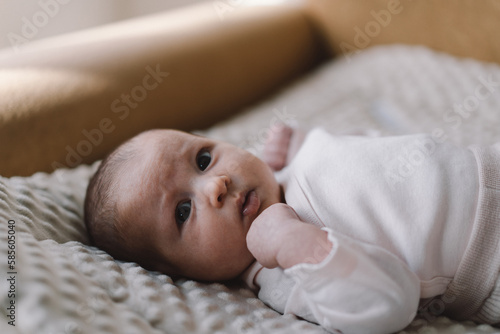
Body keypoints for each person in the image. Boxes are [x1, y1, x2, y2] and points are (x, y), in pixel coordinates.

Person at [84, 124, 500, 334]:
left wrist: (301, 143)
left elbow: (370, 156)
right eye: (182, 212)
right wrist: (296, 245)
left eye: (204, 159)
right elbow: (392, 303)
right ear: (178, 271)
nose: (215, 185)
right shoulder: (283, 274)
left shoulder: (285, 170)